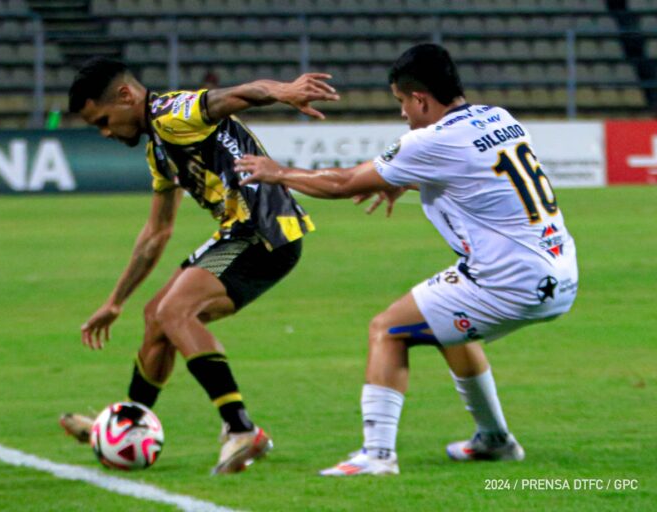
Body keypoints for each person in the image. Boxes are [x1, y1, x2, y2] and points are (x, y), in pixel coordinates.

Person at [235, 43, 578, 476]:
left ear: (420, 98)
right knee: (450, 328)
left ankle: (377, 455)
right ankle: (495, 440)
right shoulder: (499, 118)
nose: (403, 113)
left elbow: (342, 182)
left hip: (509, 281)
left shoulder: (429, 140)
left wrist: (279, 172)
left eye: (402, 102)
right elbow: (477, 181)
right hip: (561, 272)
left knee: (388, 329)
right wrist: (406, 182)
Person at [60, 57, 339, 474]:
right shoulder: (159, 147)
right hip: (239, 232)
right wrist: (115, 301)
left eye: (103, 120)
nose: (105, 132)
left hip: (263, 232)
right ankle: (127, 426)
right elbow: (157, 232)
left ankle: (241, 429)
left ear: (125, 96)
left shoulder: (170, 113)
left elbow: (233, 97)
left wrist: (281, 90)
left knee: (176, 311)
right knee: (156, 316)